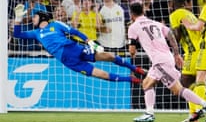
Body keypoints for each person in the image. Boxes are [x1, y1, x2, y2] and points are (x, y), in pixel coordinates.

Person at [13, 5, 147, 84]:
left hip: (75, 48)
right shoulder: (36, 33)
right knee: (101, 75)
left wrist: (89, 42)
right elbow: (17, 35)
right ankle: (130, 79)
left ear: (42, 17)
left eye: (34, 17)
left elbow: (74, 31)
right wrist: (18, 20)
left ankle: (136, 69)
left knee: (108, 56)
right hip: (68, 60)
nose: (32, 19)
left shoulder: (56, 24)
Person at [128, 2, 206, 122]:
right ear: (143, 11)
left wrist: (133, 51)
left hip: (160, 61)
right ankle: (149, 113)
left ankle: (205, 105)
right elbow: (170, 34)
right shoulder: (156, 23)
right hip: (165, 58)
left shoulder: (133, 27)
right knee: (147, 84)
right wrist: (176, 53)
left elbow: (132, 50)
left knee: (177, 89)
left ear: (131, 14)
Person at [170, 0, 205, 122]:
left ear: (172, 4)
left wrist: (169, 38)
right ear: (185, 3)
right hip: (202, 51)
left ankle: (204, 104)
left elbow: (177, 35)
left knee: (185, 83)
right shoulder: (190, 14)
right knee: (192, 83)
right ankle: (194, 114)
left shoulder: (175, 15)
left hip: (192, 52)